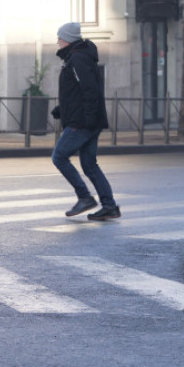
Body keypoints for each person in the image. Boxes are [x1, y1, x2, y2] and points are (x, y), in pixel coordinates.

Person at [50, 22, 121, 220]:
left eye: (59, 38)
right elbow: (76, 92)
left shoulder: (78, 59)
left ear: (67, 40)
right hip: (87, 119)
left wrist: (88, 120)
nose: (57, 41)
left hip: (83, 122)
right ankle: (109, 206)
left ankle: (85, 197)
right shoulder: (78, 56)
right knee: (89, 165)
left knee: (59, 157)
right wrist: (62, 110)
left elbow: (89, 90)